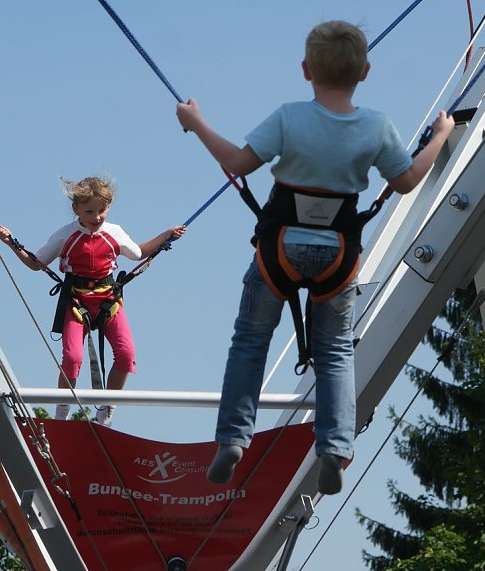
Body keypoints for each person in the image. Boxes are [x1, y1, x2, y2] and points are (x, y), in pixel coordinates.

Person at [176, 20, 454, 494]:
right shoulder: (375, 126)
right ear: (366, 71)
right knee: (335, 352)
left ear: (306, 70)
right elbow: (406, 181)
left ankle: (231, 440)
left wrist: (197, 123)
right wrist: (440, 136)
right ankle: (334, 447)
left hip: (278, 247)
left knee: (250, 341)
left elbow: (240, 164)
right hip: (338, 255)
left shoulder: (289, 118)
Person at [0, 175, 185, 427]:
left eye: (102, 211)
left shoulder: (113, 233)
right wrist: (11, 243)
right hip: (77, 302)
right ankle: (61, 413)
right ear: (76, 209)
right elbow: (35, 262)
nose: (96, 217)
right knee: (73, 358)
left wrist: (166, 236)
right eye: (89, 212)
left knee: (127, 355)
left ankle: (107, 408)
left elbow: (139, 253)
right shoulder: (66, 235)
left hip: (108, 300)